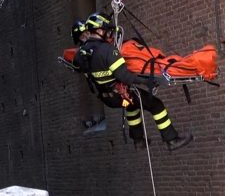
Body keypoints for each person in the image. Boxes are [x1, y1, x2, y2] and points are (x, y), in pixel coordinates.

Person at [71, 12, 193, 151]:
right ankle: (171, 140)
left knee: (130, 105)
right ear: (99, 30)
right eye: (107, 32)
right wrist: (147, 82)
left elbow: (77, 66)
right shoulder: (108, 51)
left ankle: (138, 140)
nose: (110, 35)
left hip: (108, 99)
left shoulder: (81, 53)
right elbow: (125, 77)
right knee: (156, 105)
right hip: (121, 94)